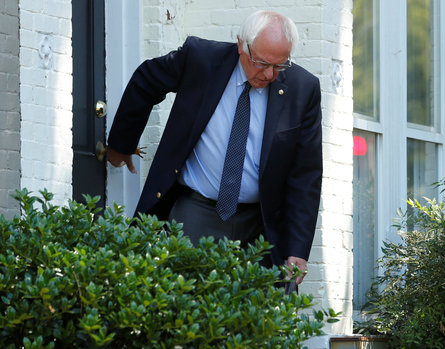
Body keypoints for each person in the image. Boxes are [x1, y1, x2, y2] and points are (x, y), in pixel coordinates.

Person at [106, 10, 322, 285]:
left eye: (280, 65)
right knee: (186, 304)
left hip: (261, 223)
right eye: (261, 62)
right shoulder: (202, 59)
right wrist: (122, 144)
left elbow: (306, 175)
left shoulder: (303, 89)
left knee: (255, 315)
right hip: (194, 211)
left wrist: (297, 249)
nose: (269, 74)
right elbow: (147, 79)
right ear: (241, 45)